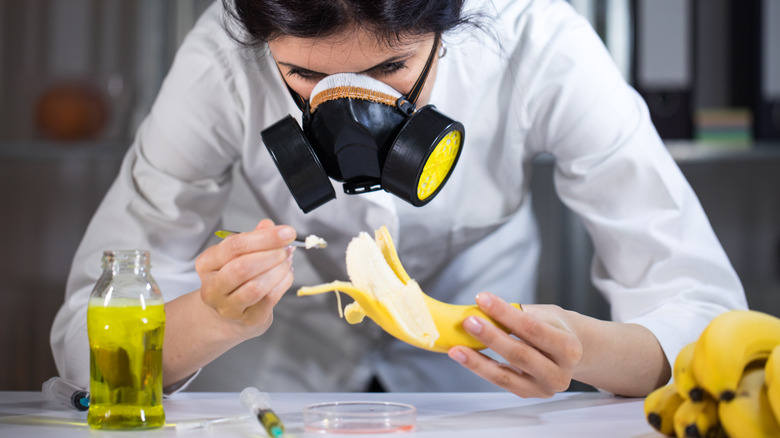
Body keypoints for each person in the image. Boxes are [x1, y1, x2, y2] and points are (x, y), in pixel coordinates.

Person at [51, 0, 747, 398]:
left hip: (481, 395)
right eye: (302, 75)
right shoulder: (220, 61)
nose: (351, 123)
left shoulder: (539, 41)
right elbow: (85, 346)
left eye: (391, 66)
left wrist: (585, 349)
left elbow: (712, 322)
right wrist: (208, 318)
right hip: (279, 393)